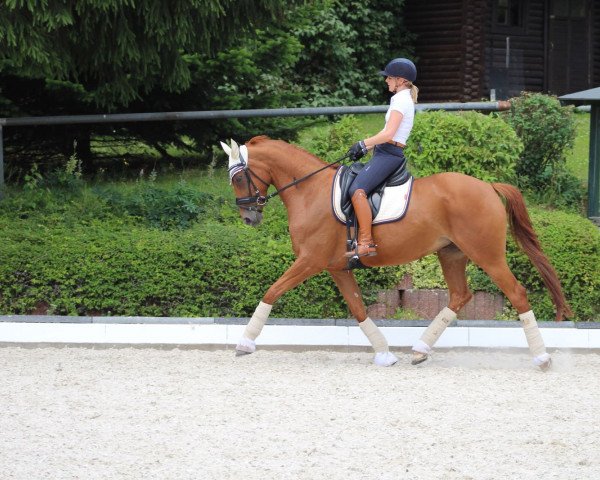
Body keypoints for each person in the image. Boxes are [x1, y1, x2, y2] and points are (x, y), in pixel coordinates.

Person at [346, 57, 418, 257]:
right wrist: (368, 147)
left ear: (401, 80)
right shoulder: (400, 99)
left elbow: (389, 134)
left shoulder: (401, 100)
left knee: (357, 190)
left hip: (389, 154)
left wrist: (364, 143)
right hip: (384, 151)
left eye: (389, 78)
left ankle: (366, 242)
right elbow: (386, 130)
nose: (386, 81)